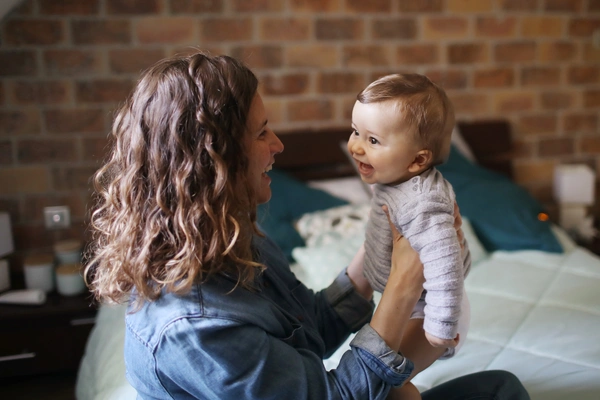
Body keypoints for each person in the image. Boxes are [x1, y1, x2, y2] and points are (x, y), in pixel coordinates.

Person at [84, 51, 530, 399]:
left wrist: (380, 251)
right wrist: (403, 283)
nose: (278, 145)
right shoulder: (194, 327)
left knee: (498, 388)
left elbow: (310, 329)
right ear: (213, 164)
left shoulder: (234, 240)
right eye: (261, 134)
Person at [348, 73, 471, 399]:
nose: (356, 146)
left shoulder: (423, 200)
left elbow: (446, 264)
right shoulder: (393, 179)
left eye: (372, 140)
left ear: (418, 160)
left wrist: (440, 327)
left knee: (387, 382)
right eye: (355, 131)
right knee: (383, 382)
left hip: (432, 308)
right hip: (409, 303)